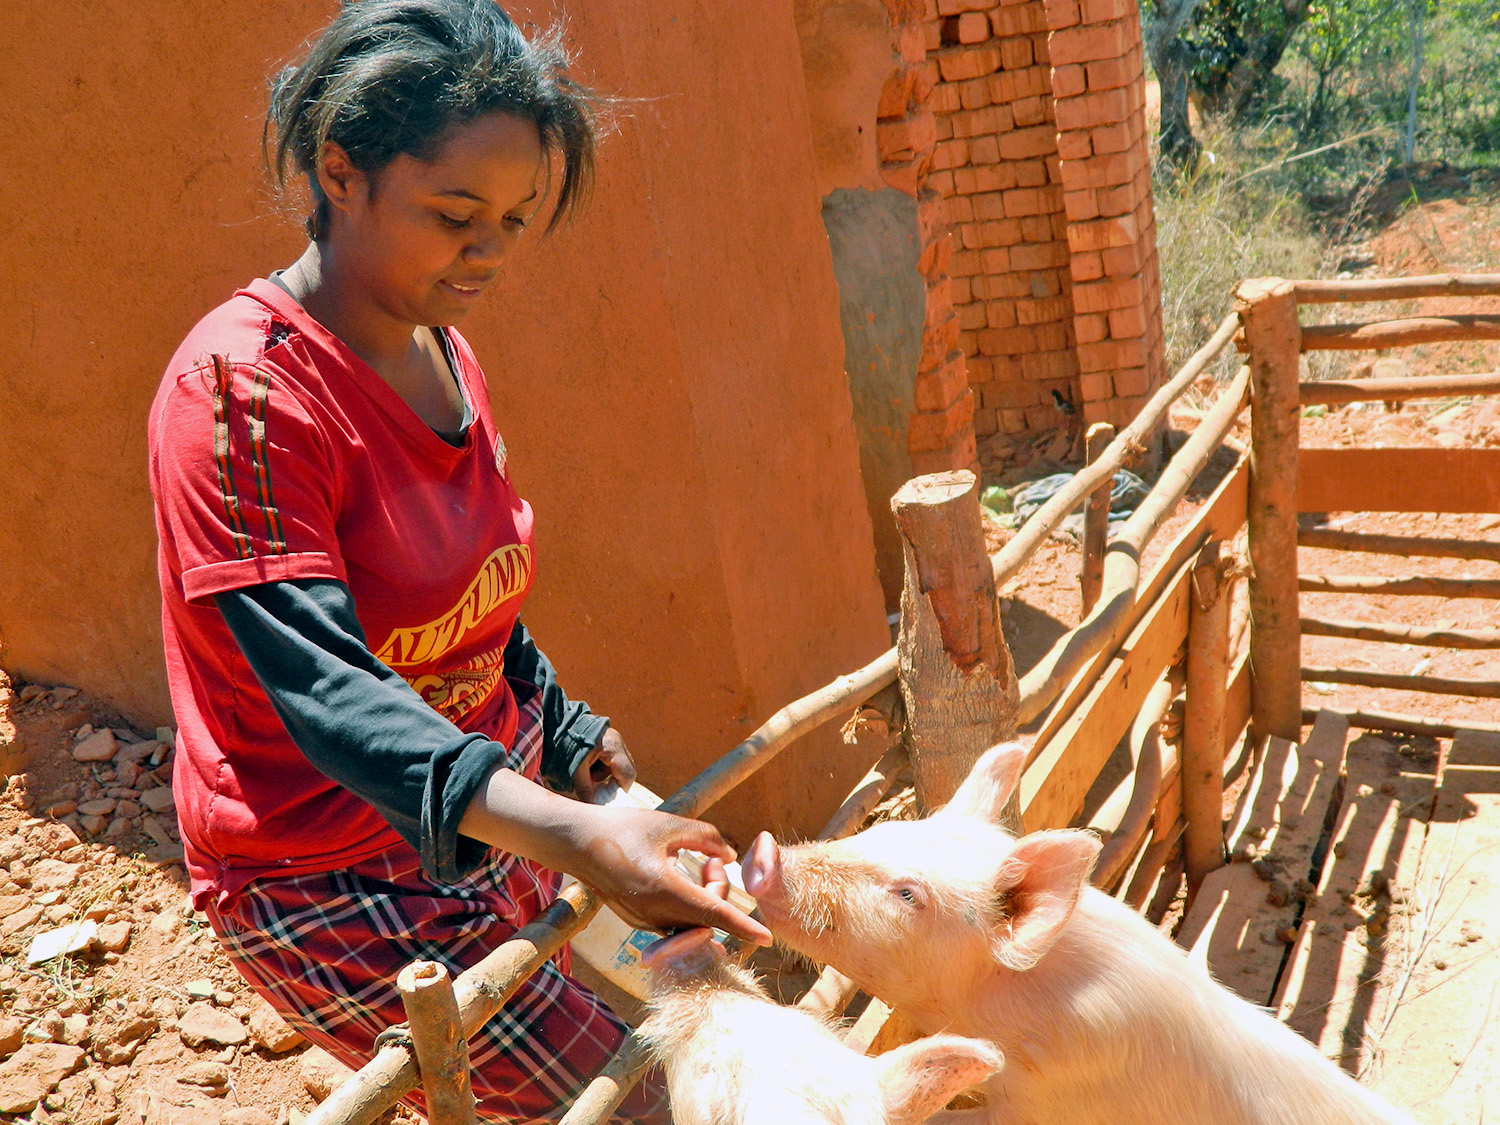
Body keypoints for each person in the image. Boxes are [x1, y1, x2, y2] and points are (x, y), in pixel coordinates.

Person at [146, 2, 770, 1121]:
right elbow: (326, 689)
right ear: (341, 169)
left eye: (519, 218)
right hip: (332, 866)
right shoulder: (241, 398)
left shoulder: (443, 348)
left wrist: (564, 735)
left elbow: (463, 598)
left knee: (713, 1044)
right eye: (455, 214)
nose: (490, 250)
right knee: (648, 1106)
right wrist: (580, 836)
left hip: (490, 792)